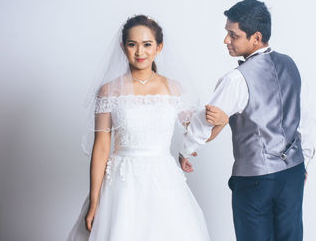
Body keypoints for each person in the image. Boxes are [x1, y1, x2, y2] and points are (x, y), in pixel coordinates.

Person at [67, 15, 228, 241]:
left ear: (158, 47)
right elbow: (101, 148)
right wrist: (94, 202)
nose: (140, 52)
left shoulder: (173, 88)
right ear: (123, 47)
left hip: (163, 180)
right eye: (132, 44)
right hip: (121, 184)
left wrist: (222, 122)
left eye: (147, 44)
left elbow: (197, 134)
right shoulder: (109, 91)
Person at [179, 0, 315, 241]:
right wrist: (305, 160)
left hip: (255, 180)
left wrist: (185, 151)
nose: (226, 40)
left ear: (256, 37)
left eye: (233, 35)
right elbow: (304, 117)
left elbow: (206, 121)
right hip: (293, 172)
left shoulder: (236, 79)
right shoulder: (291, 64)